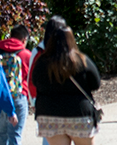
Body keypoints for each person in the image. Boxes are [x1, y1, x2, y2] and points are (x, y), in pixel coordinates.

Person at [31, 16, 101, 145]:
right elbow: (96, 83)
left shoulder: (42, 62)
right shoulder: (82, 60)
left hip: (49, 115)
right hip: (79, 113)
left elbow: (35, 82)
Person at [0, 23, 34, 145]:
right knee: (15, 136)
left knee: (2, 136)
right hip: (18, 98)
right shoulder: (27, 55)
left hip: (0, 99)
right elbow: (32, 80)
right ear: (24, 39)